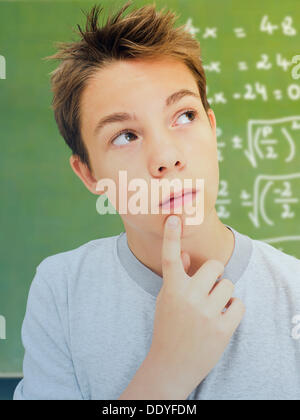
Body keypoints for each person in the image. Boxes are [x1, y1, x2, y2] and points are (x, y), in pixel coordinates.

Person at [14, 1, 300, 400]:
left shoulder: (295, 291)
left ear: (211, 126)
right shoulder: (62, 291)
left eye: (184, 116)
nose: (166, 158)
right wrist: (167, 372)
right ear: (90, 174)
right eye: (125, 136)